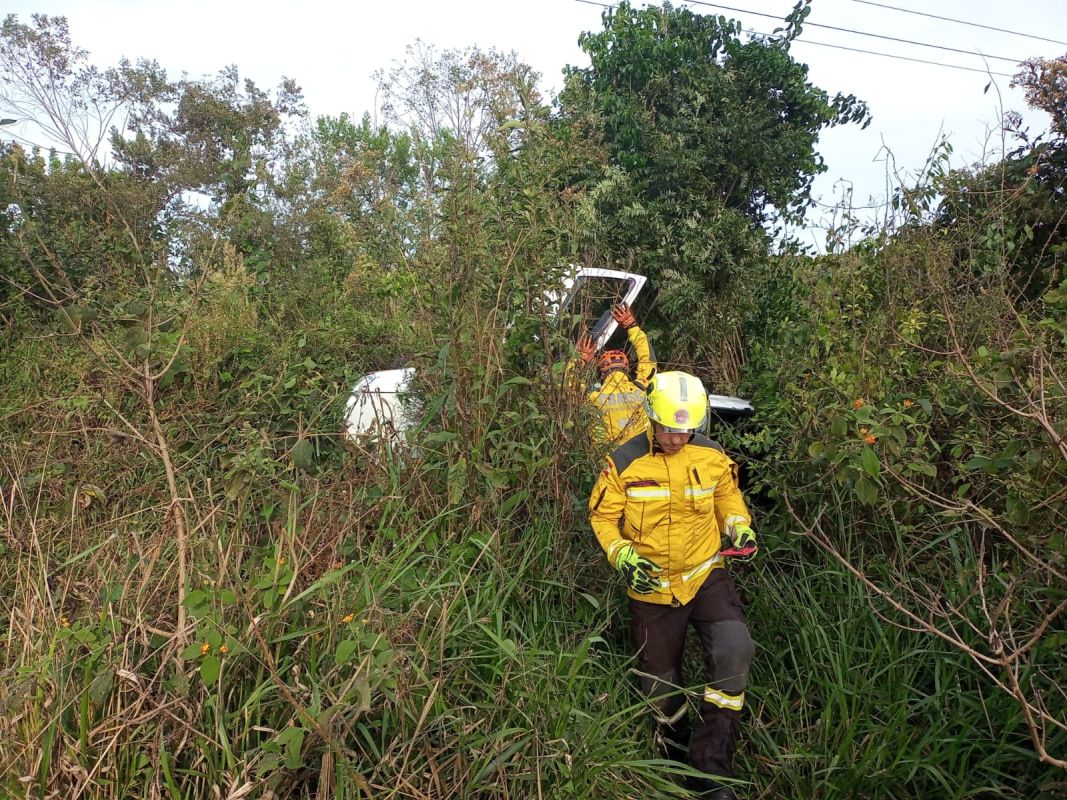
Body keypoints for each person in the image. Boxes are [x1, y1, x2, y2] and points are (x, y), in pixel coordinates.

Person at [587, 370, 759, 799]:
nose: (677, 439)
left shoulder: (713, 456)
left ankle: (711, 770)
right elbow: (603, 518)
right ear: (650, 417)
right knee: (660, 689)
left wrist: (739, 526)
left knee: (735, 650)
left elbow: (726, 498)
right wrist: (622, 554)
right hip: (651, 589)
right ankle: (673, 752)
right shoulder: (624, 462)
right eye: (668, 430)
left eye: (686, 431)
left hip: (705, 574)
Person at [575, 302, 657, 445]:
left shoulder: (593, 396)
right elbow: (649, 362)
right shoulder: (642, 389)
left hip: (608, 461)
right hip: (641, 455)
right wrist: (631, 326)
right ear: (627, 369)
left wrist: (579, 361)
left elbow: (568, 386)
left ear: (601, 373)